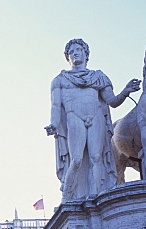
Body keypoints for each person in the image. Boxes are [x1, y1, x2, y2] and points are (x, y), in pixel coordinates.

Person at [45, 38, 140, 200]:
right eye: (71, 52)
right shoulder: (60, 80)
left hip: (96, 118)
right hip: (74, 118)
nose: (75, 53)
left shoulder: (99, 77)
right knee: (76, 160)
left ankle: (97, 197)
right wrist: (53, 124)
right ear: (68, 58)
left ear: (86, 54)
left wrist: (126, 91)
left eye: (78, 50)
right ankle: (68, 197)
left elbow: (112, 101)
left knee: (97, 158)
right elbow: (55, 105)